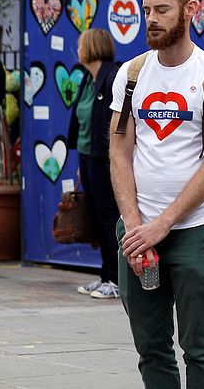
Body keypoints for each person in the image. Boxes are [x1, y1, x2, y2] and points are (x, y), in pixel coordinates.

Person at [109, 0, 204, 388]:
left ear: (191, 10)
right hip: (137, 230)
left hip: (195, 231)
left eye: (161, 10)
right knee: (152, 349)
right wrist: (134, 226)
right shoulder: (130, 75)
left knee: (199, 348)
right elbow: (119, 152)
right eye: (146, 10)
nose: (151, 19)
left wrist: (162, 223)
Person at [68, 29, 122, 299]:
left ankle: (116, 279)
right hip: (87, 156)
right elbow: (83, 119)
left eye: (80, 45)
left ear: (91, 47)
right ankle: (105, 275)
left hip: (105, 158)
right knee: (97, 217)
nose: (77, 50)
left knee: (109, 216)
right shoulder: (87, 80)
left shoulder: (113, 76)